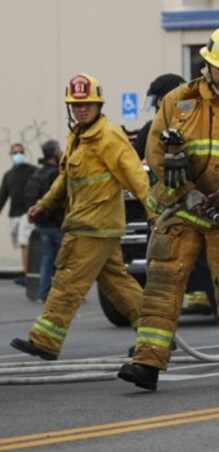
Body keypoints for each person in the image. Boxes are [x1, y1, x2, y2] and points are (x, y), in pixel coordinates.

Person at [118, 24, 219, 391]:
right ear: (208, 62)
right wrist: (185, 189)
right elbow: (155, 151)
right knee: (162, 283)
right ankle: (147, 364)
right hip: (182, 207)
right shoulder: (179, 100)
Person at [9, 73, 154, 361]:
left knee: (67, 280)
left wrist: (153, 212)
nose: (81, 109)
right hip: (91, 225)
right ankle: (156, 338)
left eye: (87, 104)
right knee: (118, 285)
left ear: (98, 105)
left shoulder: (109, 136)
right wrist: (43, 204)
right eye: (76, 106)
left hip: (93, 226)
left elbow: (135, 175)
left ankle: (46, 340)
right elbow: (65, 179)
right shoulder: (77, 138)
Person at [136, 73, 214, 316]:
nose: (156, 108)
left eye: (157, 101)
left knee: (165, 274)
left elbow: (132, 157)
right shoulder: (201, 122)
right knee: (207, 265)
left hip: (173, 212)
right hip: (201, 208)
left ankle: (160, 337)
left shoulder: (154, 129)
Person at [24, 140, 65, 302]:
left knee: (47, 258)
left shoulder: (38, 173)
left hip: (42, 224)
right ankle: (64, 295)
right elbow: (58, 198)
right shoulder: (56, 173)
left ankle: (42, 293)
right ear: (55, 154)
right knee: (66, 260)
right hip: (56, 224)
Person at [0, 143, 37, 286]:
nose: (18, 154)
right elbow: (3, 196)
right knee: (20, 243)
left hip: (27, 214)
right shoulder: (8, 175)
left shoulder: (33, 171)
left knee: (24, 243)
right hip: (13, 215)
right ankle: (29, 272)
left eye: (21, 152)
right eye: (15, 153)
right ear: (11, 155)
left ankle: (27, 275)